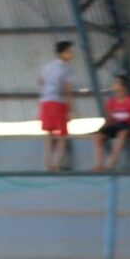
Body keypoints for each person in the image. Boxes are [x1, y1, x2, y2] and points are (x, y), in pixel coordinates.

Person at [38, 41, 75, 172]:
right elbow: (67, 89)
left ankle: (48, 164)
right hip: (58, 103)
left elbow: (40, 81)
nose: (72, 54)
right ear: (62, 53)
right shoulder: (66, 68)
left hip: (45, 102)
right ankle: (58, 164)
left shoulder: (47, 67)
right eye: (69, 52)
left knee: (49, 134)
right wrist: (69, 109)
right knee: (62, 135)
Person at [93, 75, 130, 171]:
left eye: (116, 83)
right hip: (116, 125)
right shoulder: (111, 101)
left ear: (123, 86)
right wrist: (102, 129)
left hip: (128, 125)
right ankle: (100, 164)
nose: (113, 85)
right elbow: (110, 118)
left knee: (122, 134)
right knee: (97, 137)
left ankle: (112, 161)